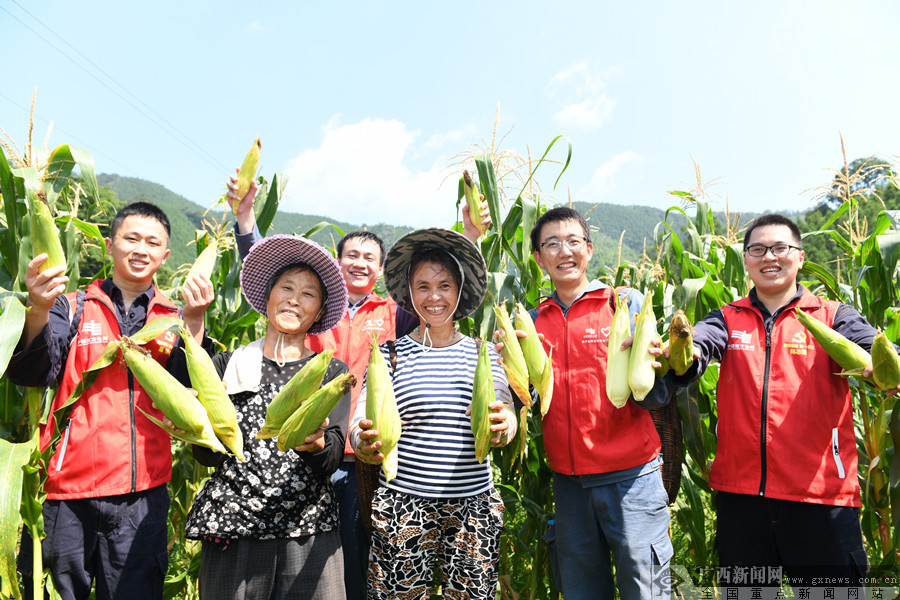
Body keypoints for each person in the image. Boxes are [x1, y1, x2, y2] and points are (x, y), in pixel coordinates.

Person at [225, 174, 490, 599]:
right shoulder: (312, 307)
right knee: (306, 561)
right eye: (351, 255)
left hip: (364, 456)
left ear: (381, 269)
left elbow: (440, 305)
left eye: (370, 257)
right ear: (337, 260)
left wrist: (470, 237)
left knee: (356, 555)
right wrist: (245, 217)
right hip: (306, 447)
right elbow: (271, 276)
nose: (360, 263)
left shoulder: (394, 313)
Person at [665, 213, 900, 588]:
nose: (769, 257)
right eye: (757, 249)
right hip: (741, 500)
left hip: (821, 497)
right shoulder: (727, 318)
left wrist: (882, 368)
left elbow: (883, 353)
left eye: (780, 248)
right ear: (745, 260)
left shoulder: (833, 316)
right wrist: (676, 352)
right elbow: (698, 347)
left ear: (801, 256)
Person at [6, 202, 211, 600]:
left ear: (166, 256)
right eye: (130, 238)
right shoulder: (73, 306)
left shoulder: (173, 316)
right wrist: (39, 309)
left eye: (152, 242)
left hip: (143, 496)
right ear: (109, 244)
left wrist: (196, 320)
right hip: (68, 492)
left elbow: (192, 391)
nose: (141, 249)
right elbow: (31, 373)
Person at [179, 234, 351, 599]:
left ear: (318, 313)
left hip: (309, 530)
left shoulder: (331, 372)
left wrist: (316, 443)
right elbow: (207, 455)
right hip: (235, 525)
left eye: (308, 294)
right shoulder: (228, 365)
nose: (294, 299)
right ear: (267, 298)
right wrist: (198, 430)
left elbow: (333, 456)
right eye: (286, 288)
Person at [349, 228, 517, 600]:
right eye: (422, 286)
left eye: (444, 285)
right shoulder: (389, 356)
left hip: (473, 507)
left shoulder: (483, 353)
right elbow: (360, 419)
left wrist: (506, 424)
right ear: (410, 294)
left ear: (459, 292)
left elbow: (505, 410)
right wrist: (363, 440)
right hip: (403, 505)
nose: (434, 296)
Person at [519, 206, 673, 599]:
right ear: (538, 259)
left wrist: (663, 359)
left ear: (589, 249)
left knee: (647, 590)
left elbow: (657, 392)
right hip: (569, 487)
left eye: (573, 242)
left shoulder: (623, 303)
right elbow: (529, 395)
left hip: (631, 480)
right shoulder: (533, 322)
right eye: (551, 244)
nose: (563, 252)